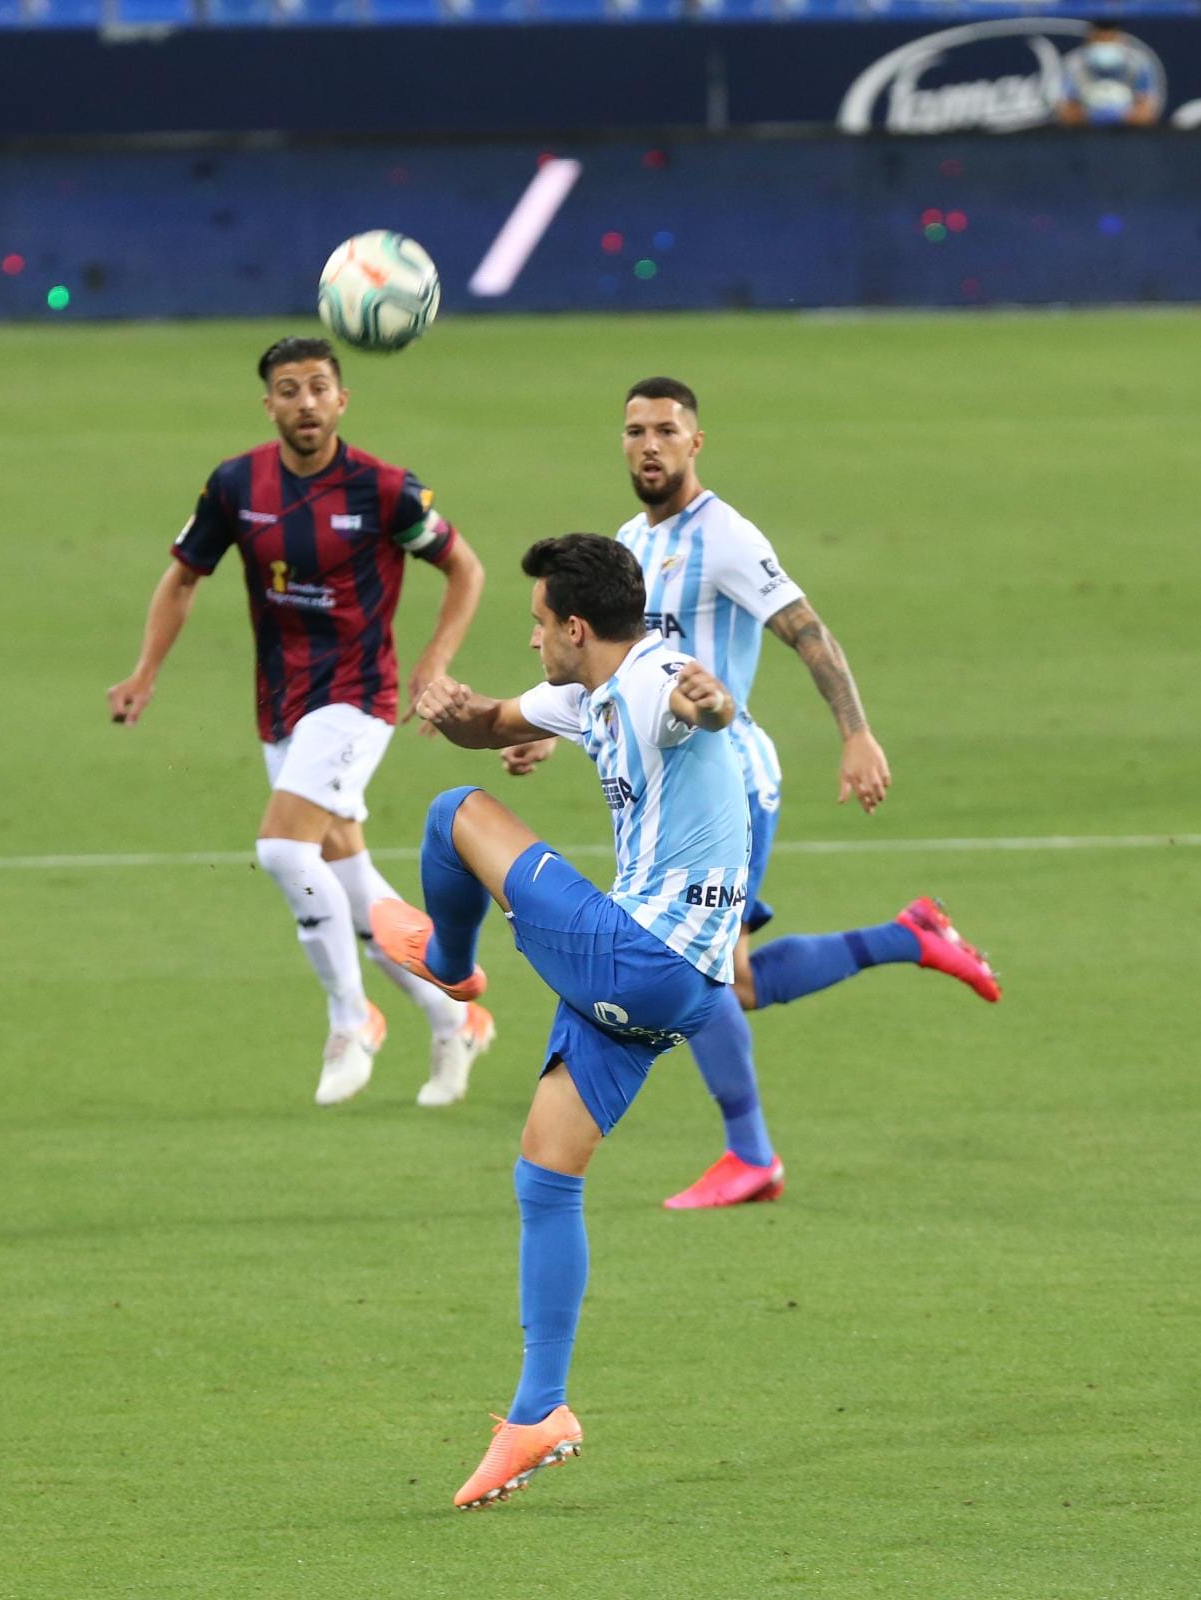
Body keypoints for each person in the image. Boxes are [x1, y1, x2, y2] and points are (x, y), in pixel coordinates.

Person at [502, 376, 999, 1210]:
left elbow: (805, 629)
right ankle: (910, 936)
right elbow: (606, 668)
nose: (648, 444)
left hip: (730, 782)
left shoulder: (724, 538)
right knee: (733, 980)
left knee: (712, 980)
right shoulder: (629, 542)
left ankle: (753, 1154)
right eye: (634, 431)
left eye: (665, 430)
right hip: (670, 790)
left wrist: (856, 733)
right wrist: (547, 728)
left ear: (696, 442)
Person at [367, 533, 748, 1509]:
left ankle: (446, 967)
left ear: (575, 629)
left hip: (642, 956)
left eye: (537, 625)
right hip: (677, 983)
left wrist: (710, 703)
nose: (532, 639)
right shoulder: (586, 692)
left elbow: (694, 706)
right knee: (544, 1171)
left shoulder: (652, 681)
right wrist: (453, 706)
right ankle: (539, 1410)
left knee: (456, 812)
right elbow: (497, 720)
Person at [107, 336, 493, 1109]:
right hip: (281, 704)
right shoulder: (235, 485)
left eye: (319, 386)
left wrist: (435, 664)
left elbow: (465, 567)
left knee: (283, 851)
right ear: (270, 405)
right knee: (348, 881)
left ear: (341, 400)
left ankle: (353, 1020)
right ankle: (453, 1017)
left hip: (358, 697)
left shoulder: (386, 491)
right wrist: (146, 670)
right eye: (289, 389)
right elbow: (183, 577)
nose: (305, 402)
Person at [1057, 21, 1161, 128]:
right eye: (1100, 40)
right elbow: (1066, 114)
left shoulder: (1138, 62)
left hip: (1129, 134)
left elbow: (1147, 113)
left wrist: (1120, 116)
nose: (1105, 44)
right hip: (1085, 134)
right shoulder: (1074, 63)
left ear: (1121, 39)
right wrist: (1093, 116)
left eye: (1109, 39)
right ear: (1090, 40)